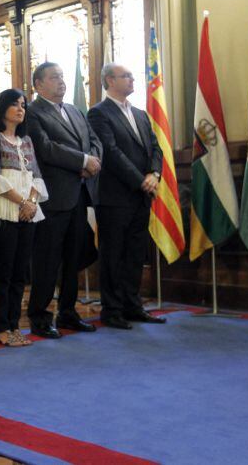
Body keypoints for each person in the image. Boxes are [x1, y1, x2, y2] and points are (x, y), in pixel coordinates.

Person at [25, 62, 102, 338]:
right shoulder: (32, 113)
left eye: (62, 75)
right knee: (47, 260)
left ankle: (68, 312)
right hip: (53, 197)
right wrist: (82, 160)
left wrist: (92, 160)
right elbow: (45, 148)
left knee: (73, 257)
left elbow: (94, 141)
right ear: (38, 85)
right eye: (54, 77)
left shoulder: (74, 110)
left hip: (80, 194)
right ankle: (40, 315)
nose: (61, 81)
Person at [87, 63, 166, 329]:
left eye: (132, 75)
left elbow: (155, 148)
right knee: (113, 255)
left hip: (141, 196)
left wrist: (154, 174)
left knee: (135, 254)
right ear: (109, 80)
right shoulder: (98, 113)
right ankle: (112, 311)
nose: (133, 79)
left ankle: (133, 306)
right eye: (126, 76)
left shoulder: (141, 114)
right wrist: (140, 180)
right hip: (114, 197)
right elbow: (110, 151)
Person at [0, 88, 47, 347]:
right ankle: (2, 328)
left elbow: (37, 177)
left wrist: (31, 203)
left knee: (20, 274)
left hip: (27, 212)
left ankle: (16, 325)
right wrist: (22, 202)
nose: (21, 109)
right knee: (3, 274)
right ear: (2, 107)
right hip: (2, 211)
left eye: (23, 105)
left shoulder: (26, 141)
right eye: (15, 104)